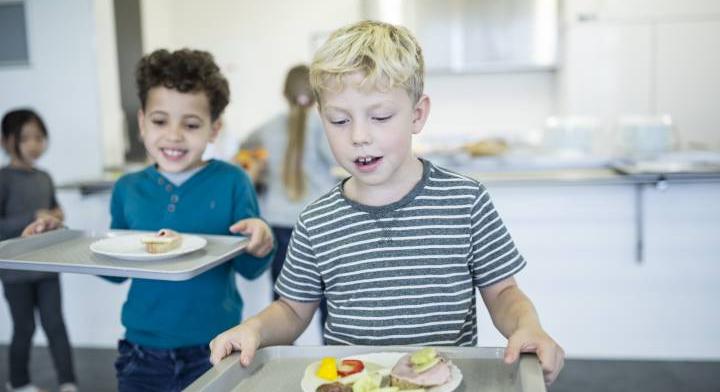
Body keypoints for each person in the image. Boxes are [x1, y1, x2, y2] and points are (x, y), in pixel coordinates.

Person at [208, 21, 565, 385]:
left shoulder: (466, 201)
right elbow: (291, 310)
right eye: (339, 120)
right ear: (322, 119)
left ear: (417, 114)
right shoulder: (316, 220)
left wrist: (528, 326)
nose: (359, 136)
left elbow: (503, 292)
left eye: (380, 117)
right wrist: (254, 329)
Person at [24, 49, 276, 391]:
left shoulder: (232, 181)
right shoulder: (128, 189)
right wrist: (66, 239)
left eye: (190, 124)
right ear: (142, 122)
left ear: (214, 129)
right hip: (141, 352)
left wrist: (261, 241)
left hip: (218, 346)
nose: (173, 136)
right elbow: (114, 269)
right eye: (160, 121)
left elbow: (249, 269)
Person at [236, 64, 337, 326]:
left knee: (283, 306)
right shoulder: (326, 126)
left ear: (284, 93)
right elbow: (339, 160)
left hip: (279, 225)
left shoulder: (267, 128)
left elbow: (242, 153)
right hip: (321, 224)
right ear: (317, 94)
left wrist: (264, 172)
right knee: (331, 305)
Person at [0, 109, 78, 392]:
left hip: (46, 267)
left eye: (40, 137)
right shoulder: (3, 178)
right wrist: (32, 215)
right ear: (7, 141)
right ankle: (18, 382)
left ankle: (68, 382)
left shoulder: (45, 177)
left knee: (56, 325)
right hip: (15, 271)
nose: (35, 144)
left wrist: (56, 218)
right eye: (27, 138)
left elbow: (53, 218)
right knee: (25, 328)